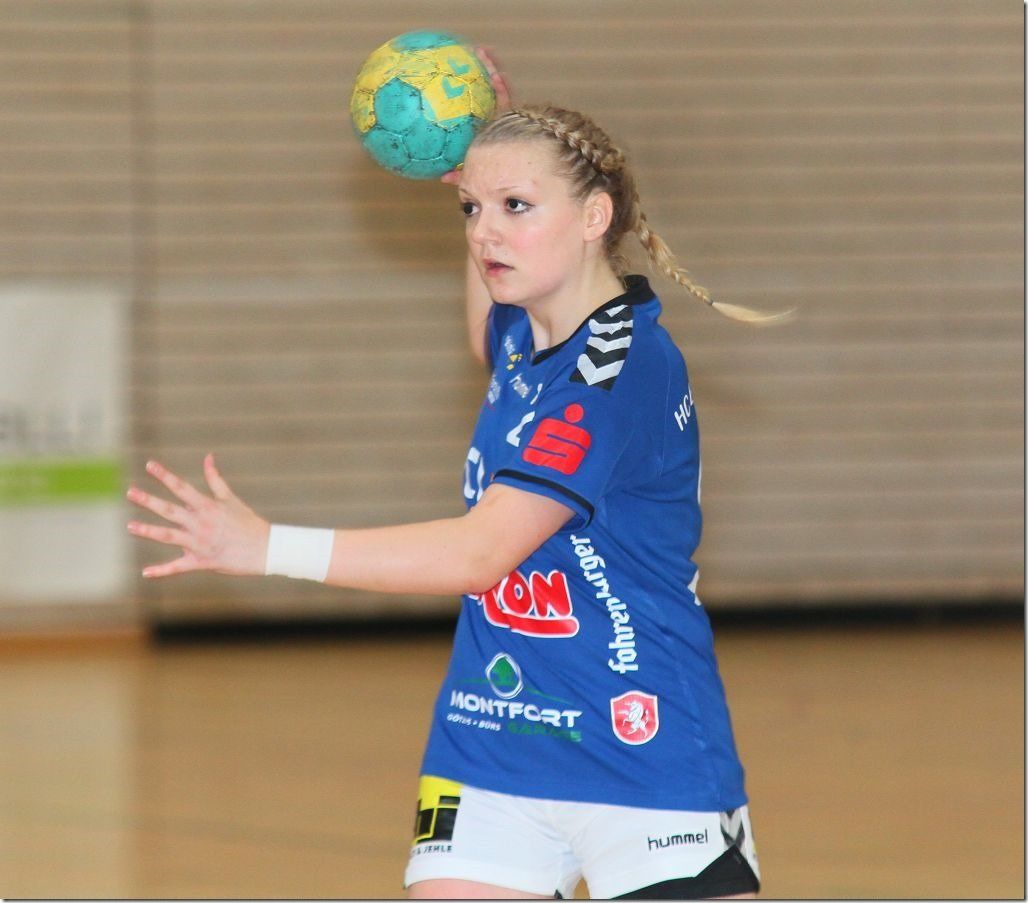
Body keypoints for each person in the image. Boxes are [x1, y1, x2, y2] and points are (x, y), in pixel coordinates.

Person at [127, 73, 775, 899]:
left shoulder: (615, 371)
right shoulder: (528, 328)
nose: (483, 234)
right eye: (471, 208)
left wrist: (267, 548)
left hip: (641, 749)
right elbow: (486, 332)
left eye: (516, 207)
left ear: (594, 216)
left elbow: (480, 553)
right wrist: (478, 145)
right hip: (491, 738)